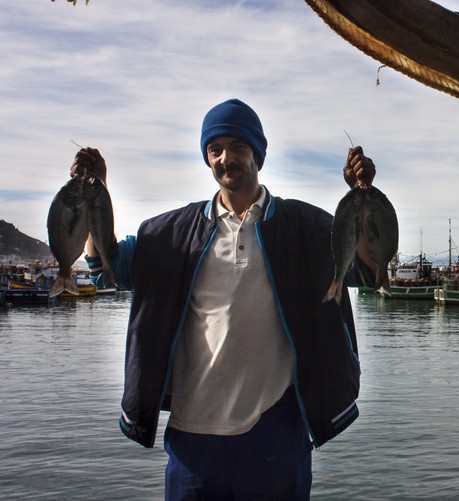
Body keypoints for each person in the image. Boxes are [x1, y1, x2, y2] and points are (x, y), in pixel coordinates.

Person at [70, 98, 379, 500]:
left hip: (277, 434)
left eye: (237, 146)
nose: (225, 158)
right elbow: (105, 266)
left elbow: (369, 270)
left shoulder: (308, 229)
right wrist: (92, 194)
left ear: (258, 154)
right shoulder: (170, 235)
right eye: (215, 149)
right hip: (192, 442)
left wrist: (363, 197)